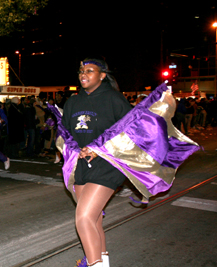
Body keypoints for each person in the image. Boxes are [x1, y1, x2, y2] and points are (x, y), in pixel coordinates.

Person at [61, 58, 132, 266]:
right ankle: (103, 261)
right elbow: (66, 133)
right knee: (93, 219)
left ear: (102, 75)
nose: (83, 74)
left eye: (90, 71)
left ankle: (93, 264)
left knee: (83, 218)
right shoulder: (72, 102)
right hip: (80, 165)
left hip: (108, 164)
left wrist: (100, 149)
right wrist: (73, 149)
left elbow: (130, 134)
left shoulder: (115, 99)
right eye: (81, 70)